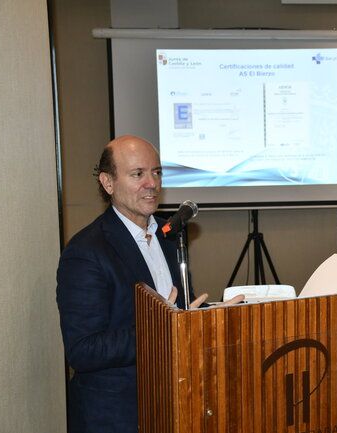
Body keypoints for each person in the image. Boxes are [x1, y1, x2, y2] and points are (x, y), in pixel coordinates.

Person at [56, 135, 207, 433]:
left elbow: (180, 312)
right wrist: (160, 329)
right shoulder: (86, 252)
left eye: (157, 172)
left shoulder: (169, 233)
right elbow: (83, 350)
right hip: (116, 416)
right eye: (138, 174)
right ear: (108, 183)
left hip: (174, 403)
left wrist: (212, 315)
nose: (152, 183)